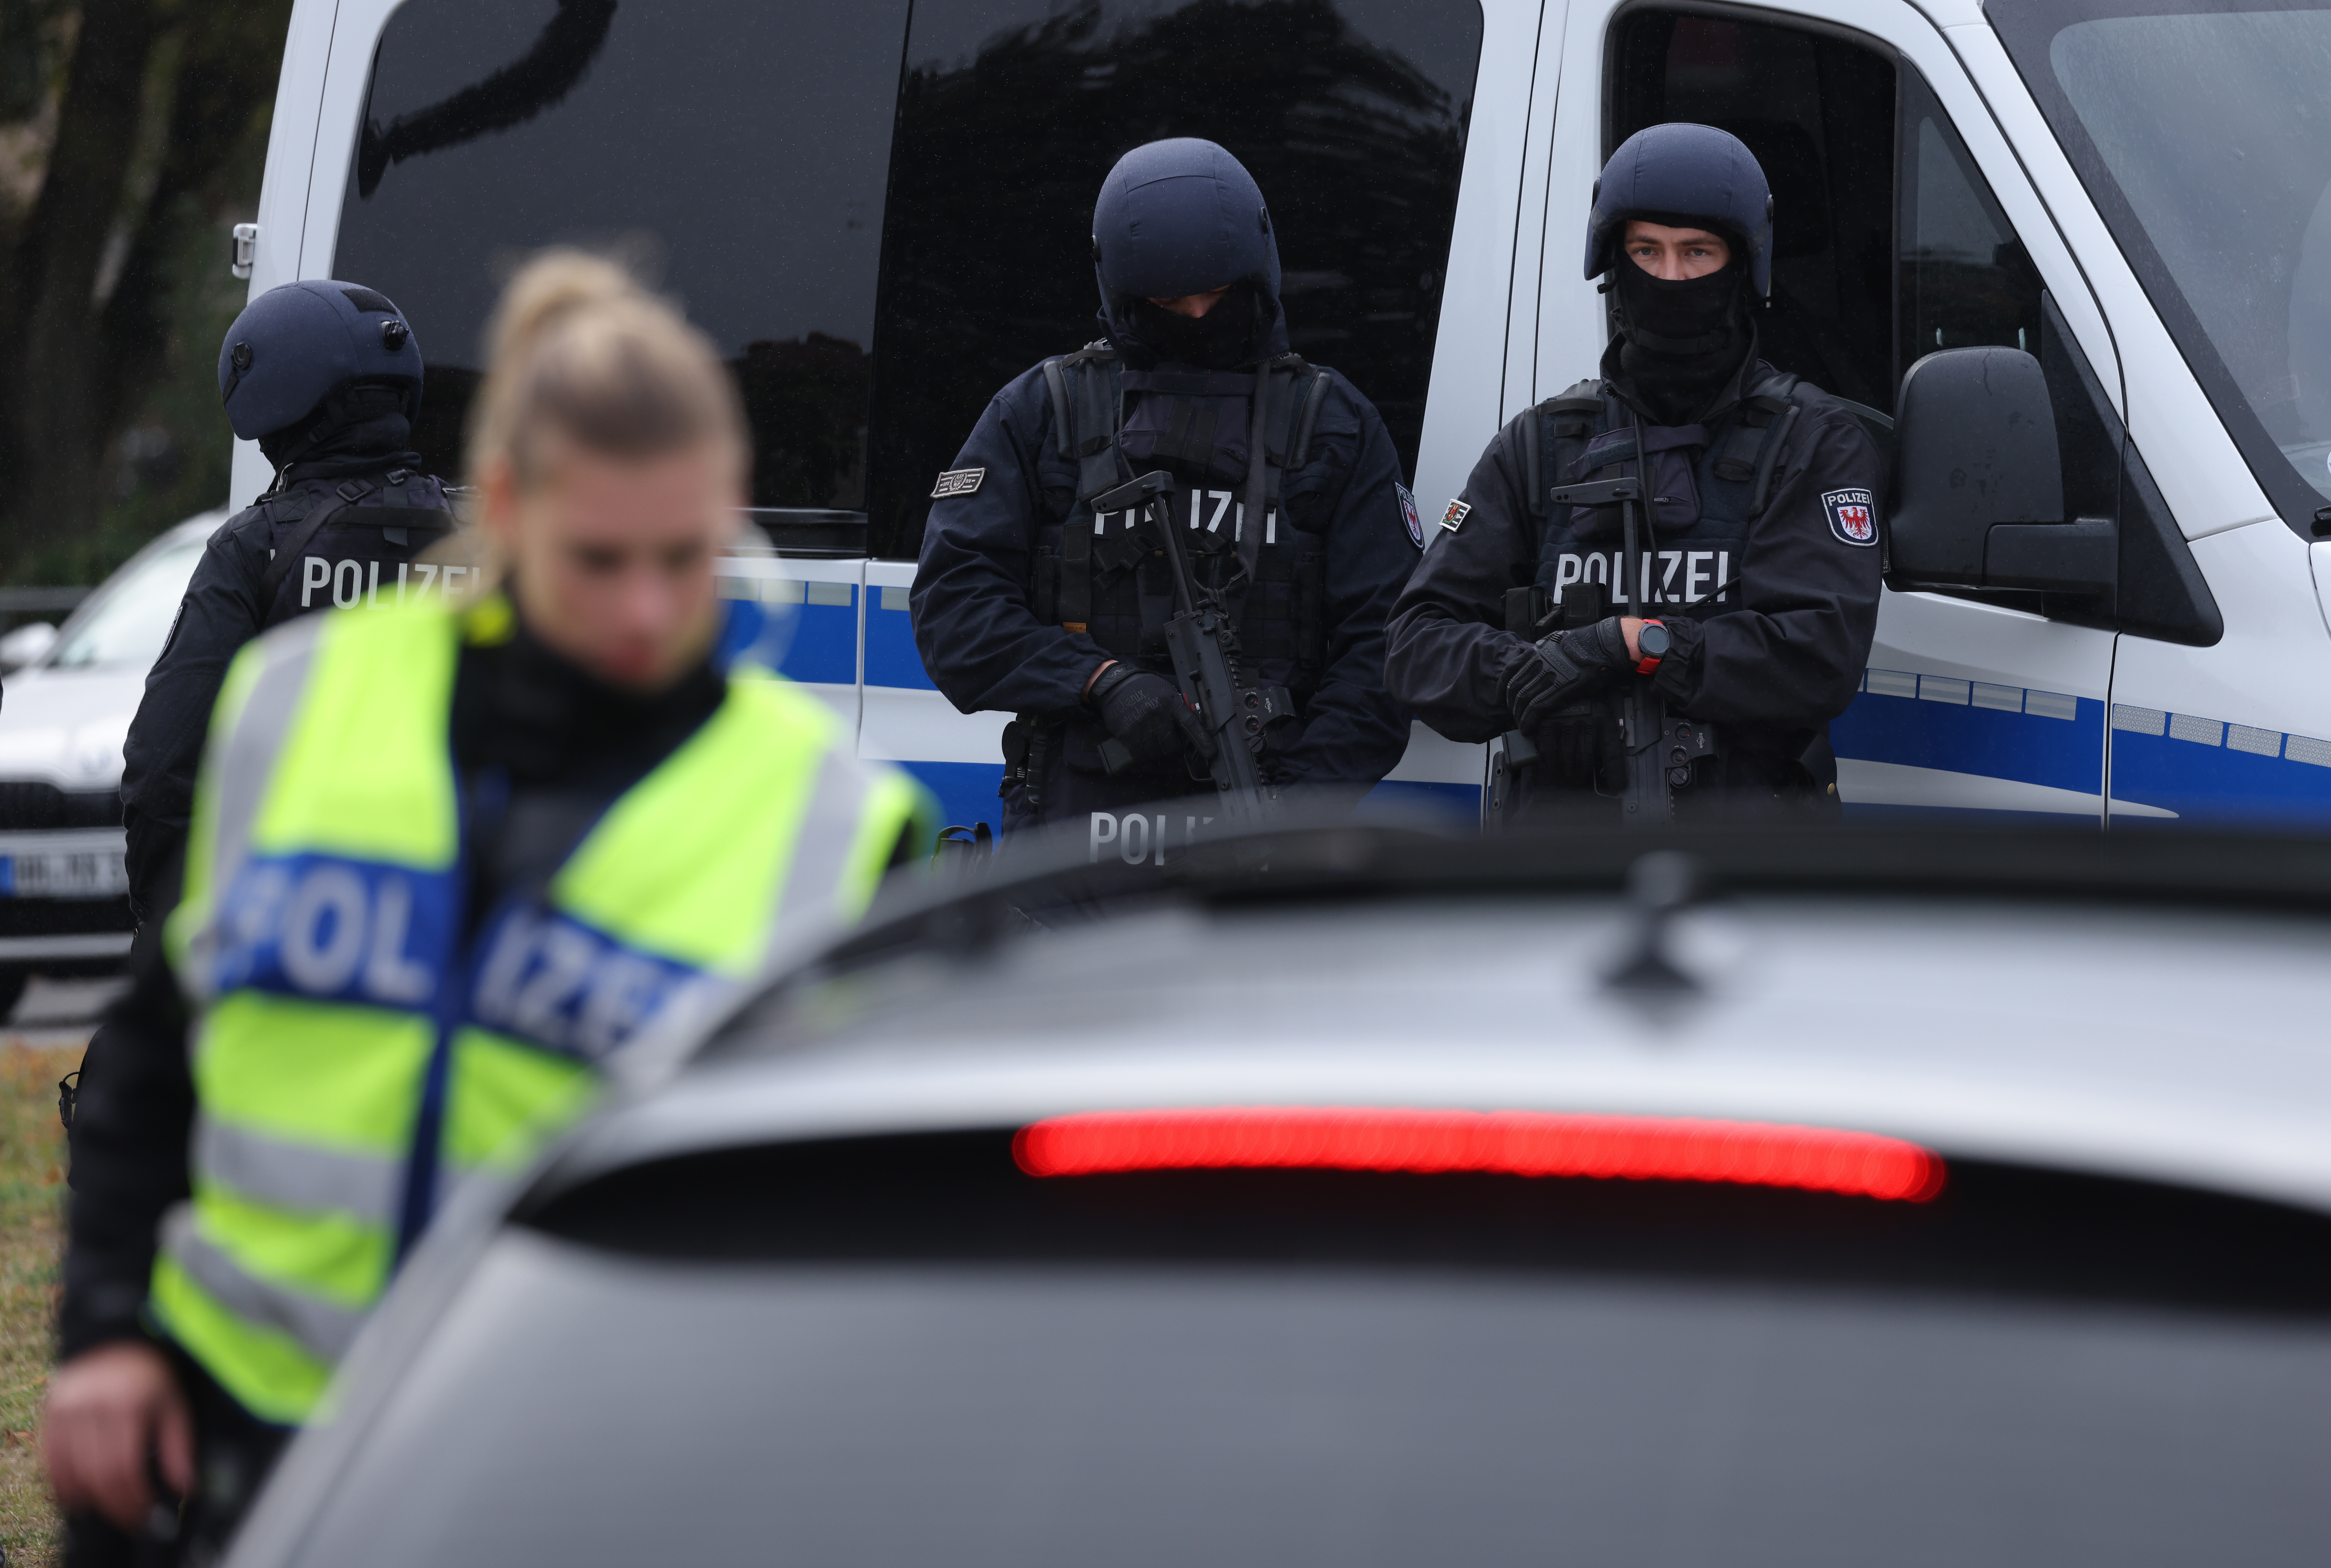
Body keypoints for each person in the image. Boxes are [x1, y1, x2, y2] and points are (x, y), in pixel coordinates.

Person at [43, 252, 934, 1562]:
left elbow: (860, 1232)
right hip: (230, 1440)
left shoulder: (826, 823)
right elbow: (153, 1066)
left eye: (684, 557)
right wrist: (109, 1332)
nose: (645, 610)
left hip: (572, 1475)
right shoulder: (301, 702)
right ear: (505, 507)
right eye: (597, 557)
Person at [912, 137, 1420, 835]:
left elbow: (1386, 643)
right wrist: (1098, 681)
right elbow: (954, 613)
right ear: (1124, 295)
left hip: (1261, 835)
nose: (1197, 319)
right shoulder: (1044, 411)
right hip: (1071, 853)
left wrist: (1293, 806)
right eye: (1168, 301)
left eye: (1218, 297)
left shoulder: (1329, 425)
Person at [1385, 123, 1884, 822]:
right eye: (1646, 250)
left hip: (1754, 871)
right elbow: (1417, 647)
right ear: (1613, 264)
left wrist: (1633, 646)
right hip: (1560, 877)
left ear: (1744, 266)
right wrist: (1540, 672)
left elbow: (1818, 655)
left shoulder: (1811, 440)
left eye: (1697, 252)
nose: (1670, 278)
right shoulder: (1538, 444)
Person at [120, 280, 458, 929]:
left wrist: (175, 933)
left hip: (289, 927)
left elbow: (163, 772)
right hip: (447, 936)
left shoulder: (256, 548)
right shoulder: (493, 546)